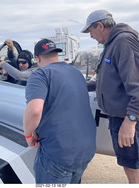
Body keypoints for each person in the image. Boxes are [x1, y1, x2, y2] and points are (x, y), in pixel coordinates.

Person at [81, 10, 139, 184]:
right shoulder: (112, 44)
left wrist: (130, 120)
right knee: (134, 165)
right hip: (122, 116)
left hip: (127, 118)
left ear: (99, 26)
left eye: (90, 31)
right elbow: (105, 81)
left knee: (133, 167)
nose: (90, 36)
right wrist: (77, 85)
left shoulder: (123, 41)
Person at [23, 38, 96, 184]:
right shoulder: (76, 72)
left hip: (59, 154)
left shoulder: (40, 75)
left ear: (37, 58)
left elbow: (34, 112)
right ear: (56, 54)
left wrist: (29, 134)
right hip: (85, 150)